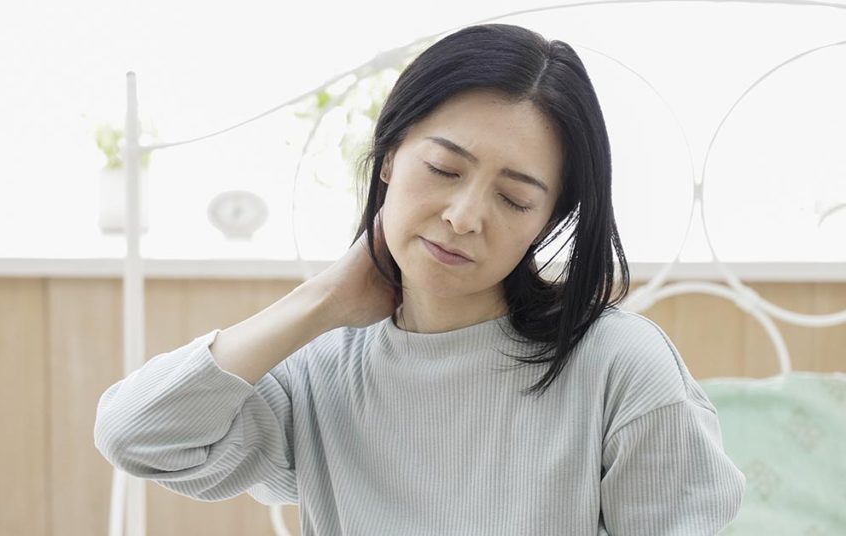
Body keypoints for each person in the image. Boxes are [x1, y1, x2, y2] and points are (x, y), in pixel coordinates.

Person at [94, 23, 745, 535]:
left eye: (514, 200)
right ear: (389, 157)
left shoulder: (620, 366)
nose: (464, 217)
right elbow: (137, 437)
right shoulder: (318, 365)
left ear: (549, 221)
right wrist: (321, 301)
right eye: (443, 169)